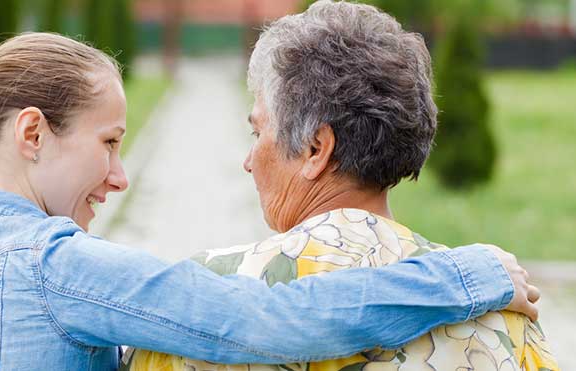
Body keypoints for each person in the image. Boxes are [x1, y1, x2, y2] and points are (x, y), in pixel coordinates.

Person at [0, 33, 537, 370]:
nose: (119, 176)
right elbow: (269, 319)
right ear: (32, 132)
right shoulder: (55, 266)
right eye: (109, 142)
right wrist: (468, 274)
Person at [122, 1, 559, 370]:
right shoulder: (504, 310)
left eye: (258, 133)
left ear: (316, 148)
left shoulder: (199, 304)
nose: (248, 162)